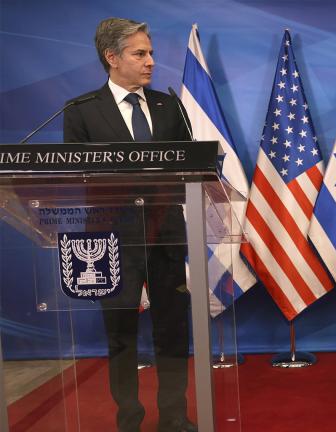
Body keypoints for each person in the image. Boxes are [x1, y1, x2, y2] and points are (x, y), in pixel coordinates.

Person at [63, 18, 196, 432]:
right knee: (121, 335)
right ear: (112, 57)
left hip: (167, 235)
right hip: (109, 240)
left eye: (151, 53)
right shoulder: (81, 110)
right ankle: (129, 420)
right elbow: (74, 177)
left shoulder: (169, 105)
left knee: (172, 332)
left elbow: (190, 167)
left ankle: (174, 417)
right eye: (140, 54)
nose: (151, 62)